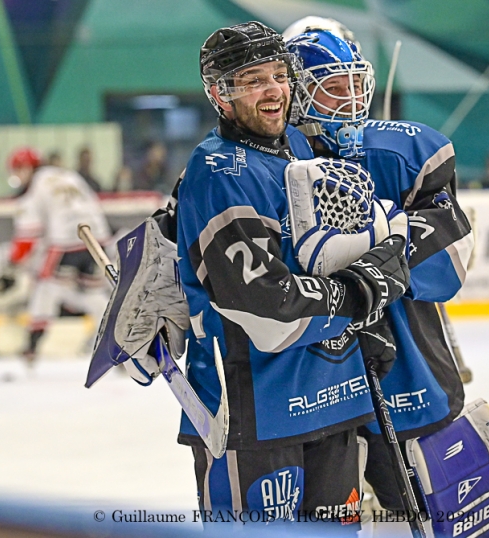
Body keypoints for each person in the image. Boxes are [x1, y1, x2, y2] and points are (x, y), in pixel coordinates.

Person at [172, 21, 409, 526]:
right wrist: (360, 294)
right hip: (252, 412)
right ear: (220, 93)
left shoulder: (301, 149)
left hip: (332, 393)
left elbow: (330, 253)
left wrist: (369, 319)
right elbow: (266, 306)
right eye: (254, 79)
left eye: (279, 75)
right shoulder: (217, 172)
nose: (275, 89)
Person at [286, 26, 473, 516]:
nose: (349, 100)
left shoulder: (396, 152)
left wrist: (386, 255)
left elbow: (451, 253)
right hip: (311, 374)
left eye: (353, 83)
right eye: (332, 85)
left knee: (421, 502)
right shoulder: (261, 160)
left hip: (404, 364)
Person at [0, 147, 112, 366]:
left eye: (18, 171)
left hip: (66, 243)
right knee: (93, 292)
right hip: (98, 238)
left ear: (27, 169)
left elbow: (26, 238)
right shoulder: (67, 175)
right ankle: (115, 343)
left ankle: (32, 346)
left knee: (46, 286)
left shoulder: (34, 190)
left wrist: (11, 266)